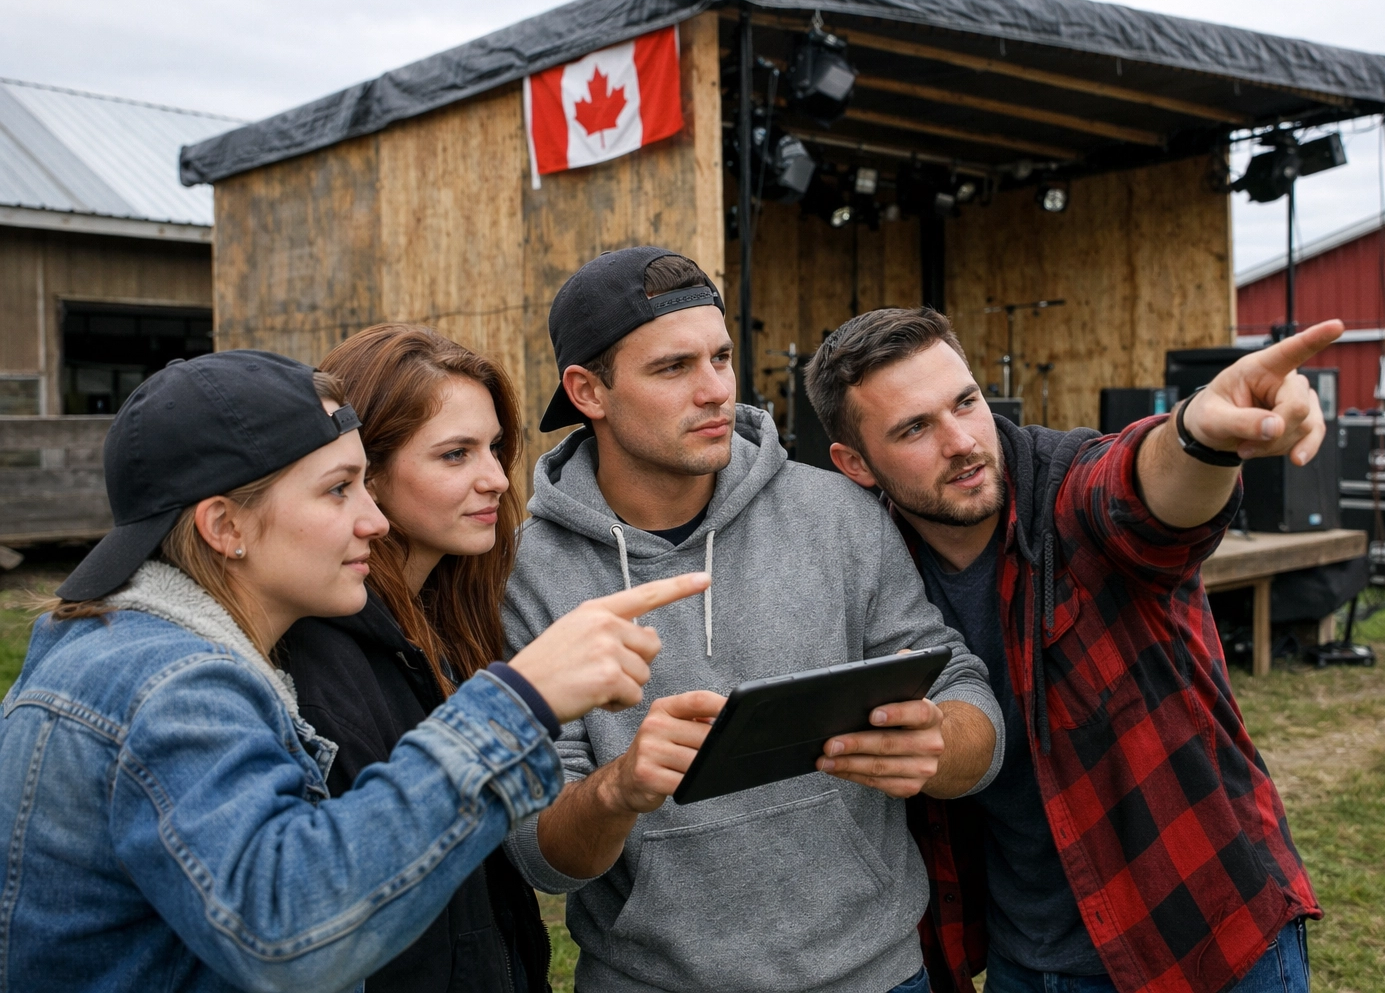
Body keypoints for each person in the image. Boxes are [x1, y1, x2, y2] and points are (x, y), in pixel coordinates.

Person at [0, 349, 708, 992]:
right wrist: (519, 703)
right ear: (225, 527)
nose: (374, 520)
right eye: (339, 489)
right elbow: (289, 934)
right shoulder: (169, 685)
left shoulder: (155, 656)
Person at [500, 247, 1004, 993]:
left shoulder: (837, 513)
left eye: (721, 357)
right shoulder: (527, 575)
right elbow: (540, 856)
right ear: (588, 391)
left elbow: (961, 689)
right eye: (673, 368)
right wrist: (618, 789)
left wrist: (941, 740)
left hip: (878, 974)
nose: (714, 391)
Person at [804, 307, 1340, 993]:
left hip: (1200, 930)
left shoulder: (1066, 488)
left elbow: (1140, 492)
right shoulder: (874, 567)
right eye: (915, 428)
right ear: (855, 464)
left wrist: (1201, 437)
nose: (963, 442)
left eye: (966, 402)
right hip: (1025, 956)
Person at [277, 324, 553, 992]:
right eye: (455, 454)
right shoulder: (321, 655)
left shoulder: (452, 616)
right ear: (362, 470)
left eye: (495, 448)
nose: (496, 479)